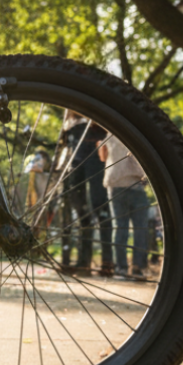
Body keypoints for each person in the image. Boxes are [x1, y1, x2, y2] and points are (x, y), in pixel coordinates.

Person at [58, 110, 114, 276]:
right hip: (75, 158)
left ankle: (107, 261)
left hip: (94, 154)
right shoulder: (69, 118)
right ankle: (83, 261)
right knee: (80, 210)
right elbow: (64, 141)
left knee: (100, 206)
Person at [99, 134, 149, 278]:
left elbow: (103, 156)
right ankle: (138, 267)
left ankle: (121, 268)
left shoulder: (109, 134)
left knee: (120, 227)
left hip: (114, 184)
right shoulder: (134, 132)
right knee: (140, 228)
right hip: (135, 183)